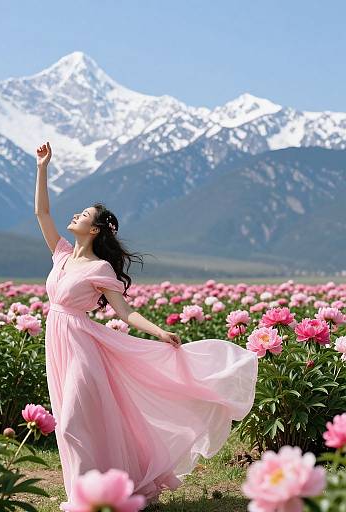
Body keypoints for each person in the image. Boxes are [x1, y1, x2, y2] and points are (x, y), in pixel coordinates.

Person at [35, 141, 258, 509]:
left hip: (81, 346)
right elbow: (42, 213)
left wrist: (157, 331)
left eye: (83, 214)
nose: (75, 216)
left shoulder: (99, 269)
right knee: (68, 421)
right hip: (55, 342)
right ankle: (93, 494)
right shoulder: (60, 254)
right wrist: (42, 168)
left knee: (74, 420)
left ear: (95, 230)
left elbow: (124, 312)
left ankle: (85, 500)